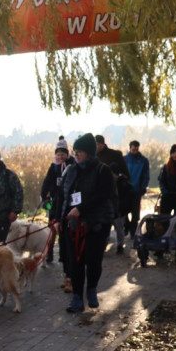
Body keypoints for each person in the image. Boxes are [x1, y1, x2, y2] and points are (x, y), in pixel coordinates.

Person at [61, 133, 117, 312]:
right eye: (74, 151)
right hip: (74, 225)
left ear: (89, 153)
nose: (75, 154)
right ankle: (77, 297)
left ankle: (91, 289)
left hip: (96, 224)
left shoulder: (103, 171)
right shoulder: (70, 170)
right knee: (74, 261)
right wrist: (58, 218)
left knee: (93, 261)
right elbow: (62, 196)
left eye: (80, 151)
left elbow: (104, 195)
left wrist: (82, 209)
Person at [40, 138, 75, 270]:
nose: (60, 157)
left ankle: (62, 254)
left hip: (67, 203)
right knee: (51, 229)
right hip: (54, 202)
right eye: (58, 154)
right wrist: (44, 196)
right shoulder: (53, 166)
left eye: (62, 154)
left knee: (63, 229)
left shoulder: (72, 165)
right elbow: (47, 182)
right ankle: (49, 254)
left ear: (67, 154)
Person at [94, 135, 130, 253]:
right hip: (102, 195)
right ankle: (103, 244)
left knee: (118, 225)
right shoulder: (93, 157)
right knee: (105, 224)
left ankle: (120, 244)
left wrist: (120, 178)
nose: (97, 146)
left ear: (103, 144)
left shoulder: (114, 155)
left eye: (98, 144)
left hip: (118, 196)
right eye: (95, 144)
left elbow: (125, 173)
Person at [124, 140, 150, 237]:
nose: (135, 150)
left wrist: (143, 187)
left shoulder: (143, 160)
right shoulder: (124, 160)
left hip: (137, 190)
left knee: (135, 213)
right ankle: (127, 226)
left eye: (136, 149)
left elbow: (146, 175)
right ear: (130, 148)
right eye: (133, 149)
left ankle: (133, 232)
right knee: (124, 211)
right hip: (126, 191)